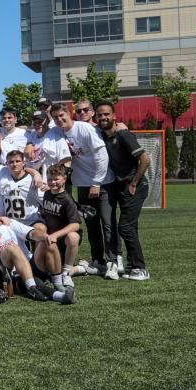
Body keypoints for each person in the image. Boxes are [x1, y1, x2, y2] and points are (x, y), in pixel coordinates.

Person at [52, 102, 115, 276]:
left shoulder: (84, 129)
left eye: (61, 115)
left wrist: (96, 183)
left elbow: (102, 156)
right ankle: (98, 261)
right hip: (82, 184)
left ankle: (113, 261)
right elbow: (38, 133)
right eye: (55, 117)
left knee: (107, 224)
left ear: (68, 113)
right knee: (91, 224)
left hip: (101, 183)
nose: (59, 120)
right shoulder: (58, 132)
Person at [0, 200, 76, 304]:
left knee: (48, 242)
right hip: (9, 274)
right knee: (35, 280)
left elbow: (31, 233)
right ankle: (61, 296)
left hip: (29, 264)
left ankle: (57, 284)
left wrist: (45, 236)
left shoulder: (9, 224)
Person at [96, 100, 151, 280]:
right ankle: (133, 266)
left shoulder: (124, 135)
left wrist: (134, 183)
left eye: (106, 114)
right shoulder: (102, 136)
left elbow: (145, 159)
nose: (103, 117)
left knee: (125, 227)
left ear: (114, 116)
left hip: (135, 186)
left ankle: (140, 269)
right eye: (100, 115)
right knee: (130, 227)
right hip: (120, 187)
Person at [35, 164, 85, 291]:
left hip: (63, 240)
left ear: (64, 179)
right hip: (52, 240)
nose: (53, 182)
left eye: (56, 179)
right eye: (50, 179)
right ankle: (80, 268)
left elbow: (75, 224)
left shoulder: (67, 199)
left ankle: (67, 272)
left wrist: (55, 235)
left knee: (73, 237)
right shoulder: (47, 194)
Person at [24, 110, 71, 184]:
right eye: (35, 121)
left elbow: (66, 159)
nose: (37, 124)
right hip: (33, 182)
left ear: (48, 121)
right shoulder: (32, 137)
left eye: (40, 121)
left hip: (50, 184)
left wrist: (53, 178)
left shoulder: (56, 137)